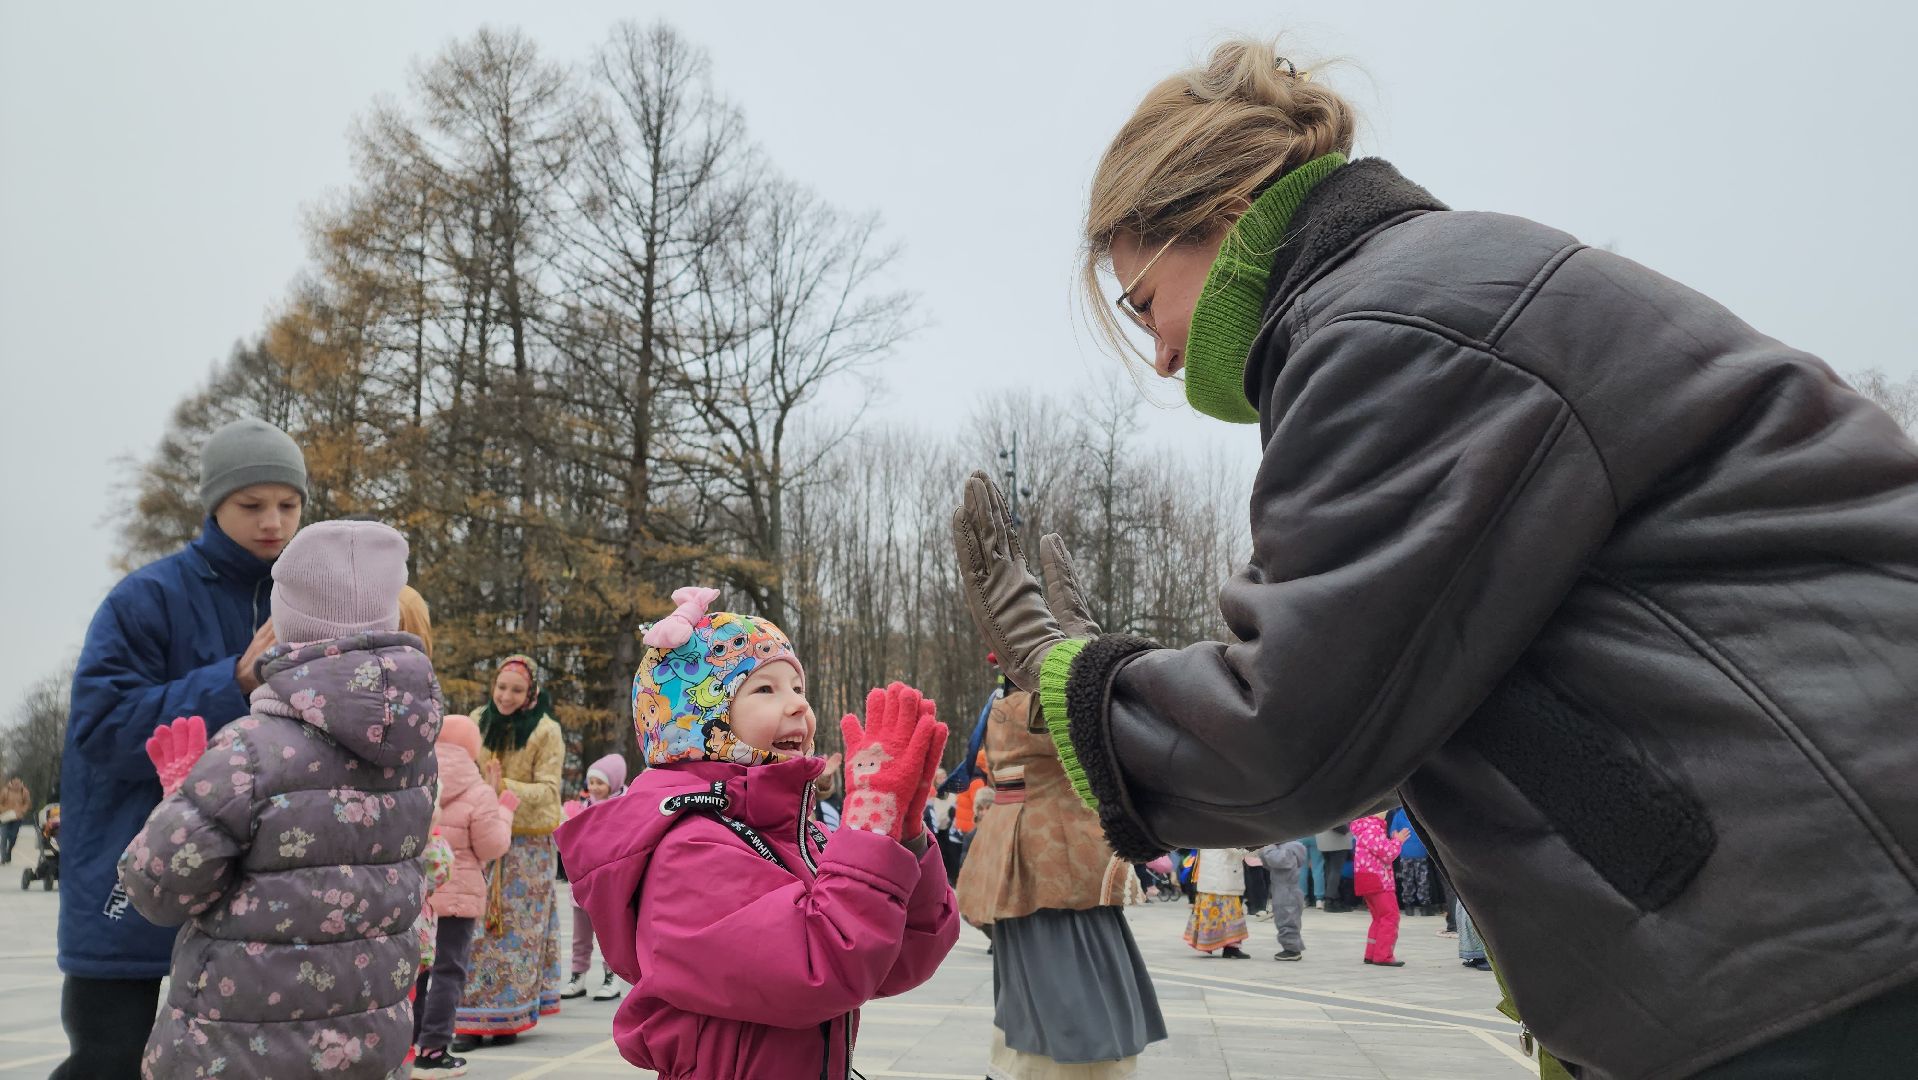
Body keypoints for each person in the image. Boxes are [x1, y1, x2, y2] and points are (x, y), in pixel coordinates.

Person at [950, 35, 1918, 1079]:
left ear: (1224, 213)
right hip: (1821, 907)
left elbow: (1292, 727)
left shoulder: (1392, 329)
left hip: (1822, 933)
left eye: (1144, 303)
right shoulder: (1426, 291)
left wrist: (1060, 665)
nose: (1164, 355)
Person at [555, 587, 958, 1078]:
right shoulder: (687, 849)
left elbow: (901, 957)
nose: (797, 707)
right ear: (699, 718)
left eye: (797, 688)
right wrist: (868, 832)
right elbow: (822, 968)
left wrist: (904, 837)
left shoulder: (798, 835)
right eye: (765, 690)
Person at [115, 519, 439, 1078]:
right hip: (368, 1047)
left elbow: (158, 888)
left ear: (287, 625)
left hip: (233, 1051)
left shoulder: (248, 752)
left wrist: (180, 799)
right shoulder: (415, 754)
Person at [56, 417, 305, 1079]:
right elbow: (100, 728)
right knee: (109, 1061)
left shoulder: (306, 602)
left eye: (289, 503)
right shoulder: (146, 598)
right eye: (252, 505)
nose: (273, 522)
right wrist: (233, 681)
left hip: (256, 897)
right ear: (214, 504)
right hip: (130, 877)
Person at [956, 687, 1165, 1077]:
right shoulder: (1045, 698)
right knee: (1074, 1010)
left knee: (1038, 1005)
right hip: (1056, 856)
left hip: (1031, 849)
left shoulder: (1005, 703)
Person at [456, 654, 565, 1048]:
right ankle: (468, 1018)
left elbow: (551, 794)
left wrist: (505, 788)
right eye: (501, 687)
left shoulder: (546, 731)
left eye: (516, 690)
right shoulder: (475, 719)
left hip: (527, 847)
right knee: (474, 928)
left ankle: (508, 1017)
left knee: (516, 935)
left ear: (530, 692)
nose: (506, 696)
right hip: (481, 837)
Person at [416, 710, 515, 1076]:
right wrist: (504, 813)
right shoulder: (478, 791)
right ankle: (434, 1048)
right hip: (459, 897)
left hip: (422, 895)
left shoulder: (420, 779)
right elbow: (492, 847)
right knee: (449, 971)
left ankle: (412, 1043)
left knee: (420, 970)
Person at [561, 753, 628, 1003]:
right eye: (591, 782)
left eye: (600, 782)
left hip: (606, 883)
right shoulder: (582, 807)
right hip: (580, 881)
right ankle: (577, 975)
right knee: (580, 935)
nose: (594, 787)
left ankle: (612, 978)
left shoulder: (622, 805)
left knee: (607, 934)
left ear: (614, 781)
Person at [1350, 814, 1407, 967]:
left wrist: (1392, 840)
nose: (1386, 812)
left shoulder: (1363, 827)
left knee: (1379, 917)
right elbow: (1388, 854)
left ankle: (1371, 953)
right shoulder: (1372, 827)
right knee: (1390, 916)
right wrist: (1398, 841)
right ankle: (1383, 956)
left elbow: (1378, 850)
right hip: (1379, 879)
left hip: (1366, 878)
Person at [1185, 848, 1253, 959]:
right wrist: (1249, 849)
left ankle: (1213, 943)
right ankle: (1231, 948)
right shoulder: (1224, 830)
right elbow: (1233, 848)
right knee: (1230, 912)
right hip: (1223, 873)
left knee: (1219, 910)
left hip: (1212, 873)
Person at [1259, 841, 1308, 961]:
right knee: (1283, 918)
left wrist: (1267, 847)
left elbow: (1275, 860)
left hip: (1288, 890)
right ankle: (1291, 946)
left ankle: (1292, 949)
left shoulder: (1289, 848)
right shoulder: (1285, 848)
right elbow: (1267, 862)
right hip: (1283, 889)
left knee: (1287, 919)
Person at [1388, 807, 1439, 916]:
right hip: (1421, 852)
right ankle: (1425, 906)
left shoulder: (1398, 815)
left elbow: (1393, 833)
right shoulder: (1420, 813)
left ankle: (1408, 906)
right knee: (1423, 880)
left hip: (1405, 853)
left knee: (1407, 881)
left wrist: (1396, 837)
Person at [0, 777, 29, 864]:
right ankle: (3, 858)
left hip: (17, 817)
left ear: (21, 781)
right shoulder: (5, 791)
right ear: (11, 781)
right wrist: (4, 810)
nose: (16, 783)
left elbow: (27, 803)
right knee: (4, 837)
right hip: (6, 817)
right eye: (15, 781)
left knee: (13, 838)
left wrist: (22, 810)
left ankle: (9, 852)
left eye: (18, 781)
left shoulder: (24, 791)